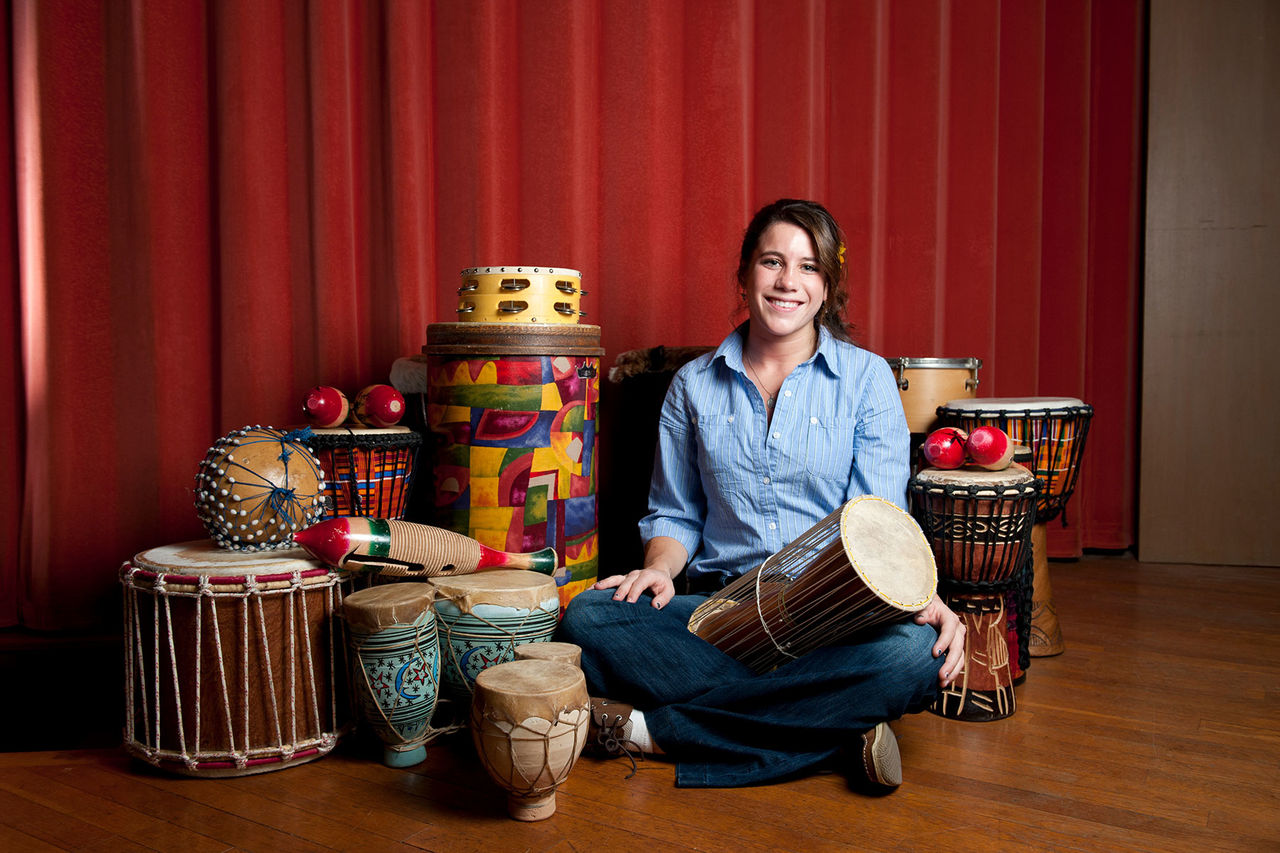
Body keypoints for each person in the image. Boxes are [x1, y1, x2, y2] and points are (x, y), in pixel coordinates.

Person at [556, 198, 964, 791]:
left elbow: (881, 523)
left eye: (808, 267)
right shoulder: (692, 386)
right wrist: (661, 570)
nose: (787, 282)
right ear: (746, 272)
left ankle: (656, 732)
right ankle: (832, 731)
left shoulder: (868, 379)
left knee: (908, 656)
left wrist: (916, 600)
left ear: (828, 285)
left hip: (834, 619)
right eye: (773, 262)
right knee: (590, 619)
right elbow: (676, 511)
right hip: (719, 613)